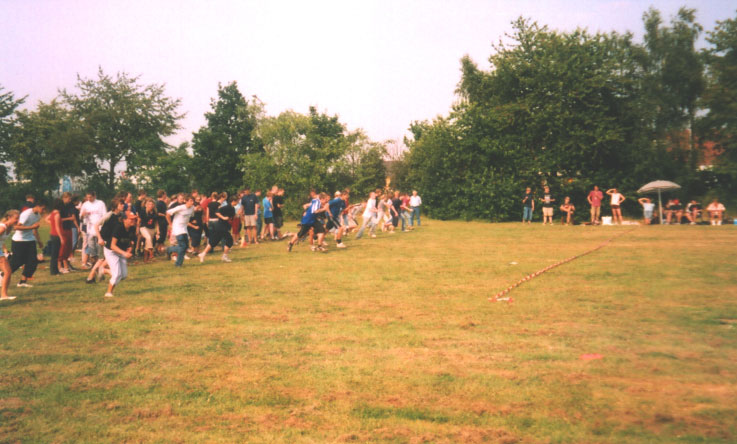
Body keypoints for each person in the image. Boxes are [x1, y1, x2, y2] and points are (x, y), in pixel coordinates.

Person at [10, 201, 45, 288]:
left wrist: (39, 241)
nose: (44, 211)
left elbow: (35, 230)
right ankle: (3, 275)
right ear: (37, 206)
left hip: (30, 240)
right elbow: (16, 227)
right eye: (43, 209)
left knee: (32, 262)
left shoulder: (38, 216)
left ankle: (22, 282)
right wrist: (31, 227)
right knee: (17, 262)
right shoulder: (27, 214)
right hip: (19, 241)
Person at [103, 212, 138, 297]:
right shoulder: (118, 228)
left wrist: (130, 248)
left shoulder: (132, 228)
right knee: (117, 274)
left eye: (134, 218)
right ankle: (108, 293)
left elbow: (132, 241)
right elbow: (112, 245)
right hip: (111, 251)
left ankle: (103, 270)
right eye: (131, 219)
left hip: (121, 251)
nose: (133, 220)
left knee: (123, 275)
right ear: (124, 220)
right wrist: (124, 253)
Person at [199, 192, 235, 263]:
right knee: (229, 239)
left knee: (214, 241)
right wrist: (223, 217)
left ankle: (203, 254)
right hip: (219, 224)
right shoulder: (221, 205)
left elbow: (208, 213)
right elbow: (217, 212)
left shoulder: (210, 204)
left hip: (212, 222)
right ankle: (224, 256)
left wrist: (207, 220)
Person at [166, 194, 195, 267]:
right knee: (182, 247)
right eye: (191, 201)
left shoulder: (192, 208)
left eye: (193, 201)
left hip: (184, 229)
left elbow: (190, 216)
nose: (192, 202)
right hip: (177, 228)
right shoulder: (180, 207)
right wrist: (170, 224)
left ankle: (169, 249)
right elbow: (168, 213)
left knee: (185, 247)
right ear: (186, 201)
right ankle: (178, 264)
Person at [79, 191, 106, 268]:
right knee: (91, 248)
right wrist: (82, 215)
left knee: (99, 247)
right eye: (87, 197)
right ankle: (94, 264)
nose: (89, 199)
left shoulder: (100, 203)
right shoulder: (85, 204)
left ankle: (100, 263)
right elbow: (80, 217)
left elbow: (104, 215)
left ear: (94, 196)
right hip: (90, 229)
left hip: (99, 229)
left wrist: (101, 226)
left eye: (90, 197)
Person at [0, 210, 21, 300]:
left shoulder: (10, 227)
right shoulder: (3, 227)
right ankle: (4, 295)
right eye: (16, 218)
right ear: (9, 217)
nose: (17, 220)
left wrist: (4, 249)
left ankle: (4, 295)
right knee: (7, 271)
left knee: (8, 271)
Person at [47, 199, 65, 275]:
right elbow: (57, 227)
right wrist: (61, 238)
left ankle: (55, 270)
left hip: (52, 234)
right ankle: (54, 271)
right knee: (55, 254)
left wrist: (52, 224)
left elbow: (46, 219)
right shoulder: (57, 214)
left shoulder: (52, 213)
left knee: (54, 254)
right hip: (56, 235)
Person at [155, 190, 169, 254]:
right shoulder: (158, 203)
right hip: (161, 221)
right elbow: (157, 213)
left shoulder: (163, 203)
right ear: (162, 195)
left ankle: (160, 250)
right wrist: (165, 215)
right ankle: (156, 249)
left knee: (163, 236)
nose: (166, 196)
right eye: (165, 194)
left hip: (164, 221)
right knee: (161, 236)